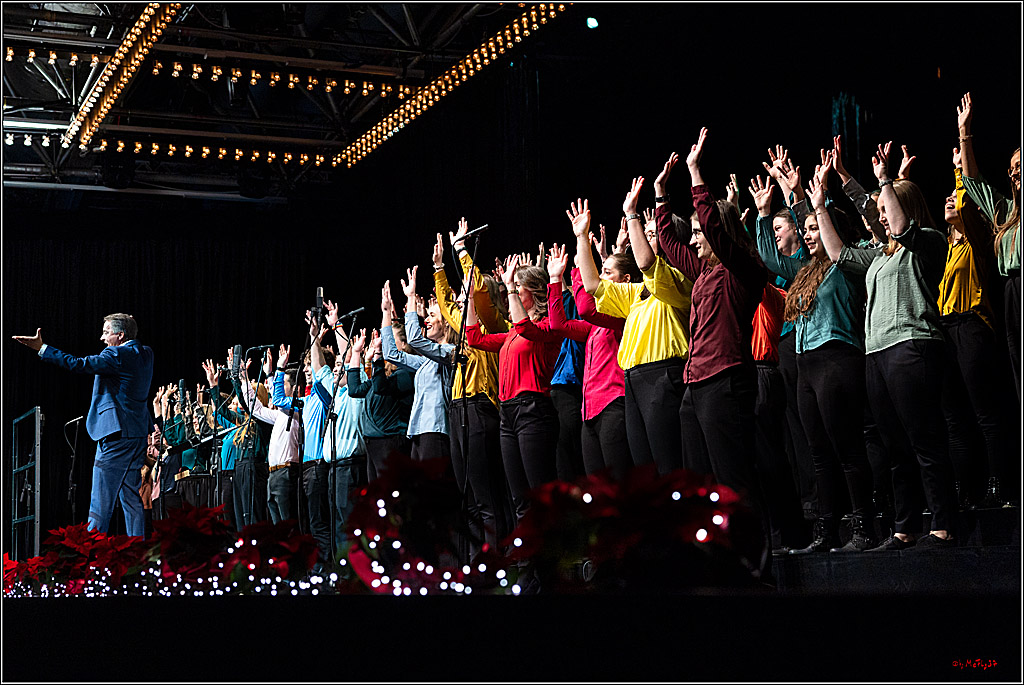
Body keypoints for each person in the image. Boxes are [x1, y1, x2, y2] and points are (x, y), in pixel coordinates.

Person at [829, 141, 958, 551]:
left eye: (886, 209)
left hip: (913, 346)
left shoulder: (929, 242)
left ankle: (944, 523)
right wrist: (820, 201)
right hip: (877, 354)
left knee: (924, 440)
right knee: (895, 447)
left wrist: (885, 179)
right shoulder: (879, 257)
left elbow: (900, 226)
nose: (880, 216)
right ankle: (905, 527)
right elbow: (837, 252)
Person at [752, 158, 877, 554]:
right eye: (803, 230)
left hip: (837, 357)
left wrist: (804, 197)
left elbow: (825, 229)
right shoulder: (804, 270)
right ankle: (825, 533)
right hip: (806, 364)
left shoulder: (848, 262)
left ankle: (864, 527)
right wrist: (764, 213)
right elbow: (770, 260)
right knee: (818, 452)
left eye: (812, 229)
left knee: (847, 449)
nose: (807, 235)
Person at [14, 313, 154, 536]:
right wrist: (131, 324)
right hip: (137, 434)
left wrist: (42, 348)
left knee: (101, 502)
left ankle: (92, 560)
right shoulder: (146, 353)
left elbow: (79, 364)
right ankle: (138, 557)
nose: (102, 337)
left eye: (106, 332)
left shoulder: (115, 354)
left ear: (120, 335)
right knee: (131, 499)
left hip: (116, 435)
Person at [956, 92, 1021, 404]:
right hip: (1012, 293)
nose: (1015, 172)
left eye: (1020, 165)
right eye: (1012, 168)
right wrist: (964, 133)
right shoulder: (1007, 212)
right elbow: (974, 181)